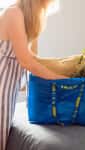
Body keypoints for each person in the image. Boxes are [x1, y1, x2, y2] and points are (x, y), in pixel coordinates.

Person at [0, 0, 69, 149]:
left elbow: (33, 58)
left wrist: (62, 67)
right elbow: (26, 62)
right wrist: (62, 81)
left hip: (8, 89)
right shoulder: (14, 13)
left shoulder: (31, 19)